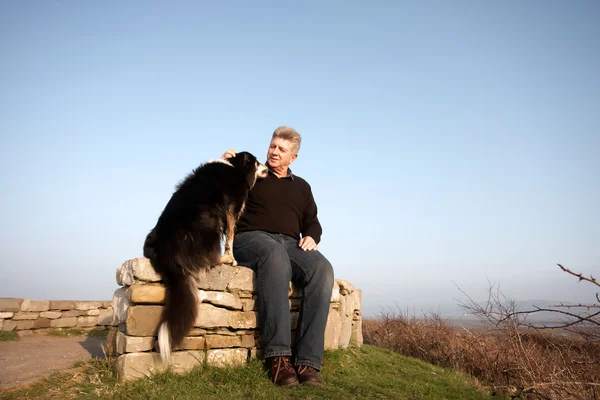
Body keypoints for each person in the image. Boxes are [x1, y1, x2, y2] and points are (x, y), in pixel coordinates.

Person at [222, 126, 334, 387]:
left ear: (293, 157)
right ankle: (279, 358)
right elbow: (223, 194)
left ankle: (308, 362)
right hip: (252, 238)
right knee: (274, 255)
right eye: (272, 146)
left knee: (323, 269)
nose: (274, 152)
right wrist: (227, 165)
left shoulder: (303, 187)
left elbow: (313, 222)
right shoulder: (252, 174)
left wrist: (312, 237)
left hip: (291, 243)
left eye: (281, 149)